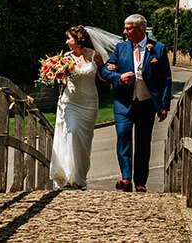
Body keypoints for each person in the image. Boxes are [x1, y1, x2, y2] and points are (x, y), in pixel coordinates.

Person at [100, 14, 172, 193]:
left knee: (143, 142)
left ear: (140, 30)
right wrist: (119, 77)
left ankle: (140, 182)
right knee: (123, 137)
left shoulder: (159, 49)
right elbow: (105, 71)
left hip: (147, 103)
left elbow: (166, 79)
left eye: (128, 28)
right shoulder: (120, 48)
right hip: (124, 103)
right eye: (125, 28)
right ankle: (126, 178)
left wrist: (163, 106)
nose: (124, 31)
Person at [48, 25, 104, 189]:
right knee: (71, 132)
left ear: (78, 40)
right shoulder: (65, 57)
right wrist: (59, 76)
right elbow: (63, 79)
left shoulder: (95, 55)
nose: (66, 42)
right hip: (71, 101)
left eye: (69, 38)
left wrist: (112, 72)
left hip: (89, 103)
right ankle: (68, 177)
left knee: (84, 142)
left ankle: (80, 178)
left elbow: (102, 75)